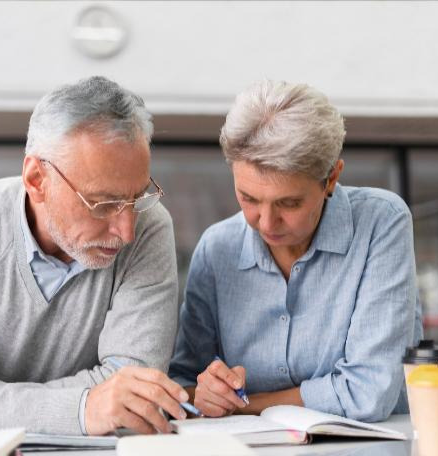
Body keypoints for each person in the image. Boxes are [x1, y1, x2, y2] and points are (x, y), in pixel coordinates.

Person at [0, 76, 189, 436]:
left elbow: (134, 396)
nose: (126, 230)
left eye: (136, 197)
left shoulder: (149, 227)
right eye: (103, 203)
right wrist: (84, 408)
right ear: (37, 180)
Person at [168, 80, 421, 422]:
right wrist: (207, 391)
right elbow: (183, 383)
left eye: (289, 203)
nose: (267, 222)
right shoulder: (217, 248)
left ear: (331, 179)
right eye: (249, 199)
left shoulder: (381, 222)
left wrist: (247, 403)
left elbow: (368, 391)